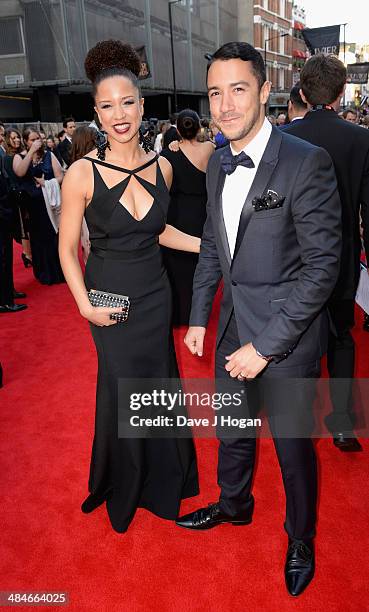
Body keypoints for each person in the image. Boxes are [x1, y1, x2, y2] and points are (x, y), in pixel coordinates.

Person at [175, 42, 341, 597]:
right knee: (233, 432)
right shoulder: (218, 160)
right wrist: (200, 315)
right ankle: (234, 503)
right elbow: (214, 250)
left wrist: (265, 346)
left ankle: (300, 537)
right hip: (231, 330)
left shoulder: (305, 161)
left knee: (293, 448)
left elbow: (322, 269)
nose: (224, 105)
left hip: (285, 342)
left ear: (266, 91)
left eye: (238, 89)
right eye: (215, 92)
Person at [59, 40, 199, 534]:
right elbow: (66, 248)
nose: (118, 114)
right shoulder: (82, 172)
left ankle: (163, 480)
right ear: (95, 112)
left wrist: (208, 247)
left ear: (142, 105)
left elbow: (159, 231)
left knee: (158, 384)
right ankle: (124, 481)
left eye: (127, 102)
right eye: (106, 105)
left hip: (156, 295)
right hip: (109, 302)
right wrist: (83, 307)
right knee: (123, 387)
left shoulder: (162, 166)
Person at [284, 54, 369, 451]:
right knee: (341, 338)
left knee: (292, 337)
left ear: (301, 92)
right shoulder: (361, 139)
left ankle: (294, 423)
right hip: (342, 259)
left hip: (291, 259)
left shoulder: (285, 139)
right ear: (340, 93)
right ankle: (341, 424)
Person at [161, 109, 214, 324]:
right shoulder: (210, 148)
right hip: (203, 214)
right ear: (198, 127)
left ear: (178, 129)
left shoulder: (169, 154)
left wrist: (174, 146)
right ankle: (198, 313)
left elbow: (161, 191)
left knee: (177, 265)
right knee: (199, 265)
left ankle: (179, 313)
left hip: (178, 215)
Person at [13, 128, 65, 285]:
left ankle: (58, 272)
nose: (36, 142)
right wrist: (30, 152)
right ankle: (43, 273)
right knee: (38, 239)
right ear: (26, 141)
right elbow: (20, 172)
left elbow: (60, 176)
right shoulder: (19, 157)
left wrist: (47, 183)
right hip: (32, 207)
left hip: (49, 204)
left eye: (37, 138)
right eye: (32, 139)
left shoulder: (49, 155)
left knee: (53, 237)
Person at [0, 154, 27, 313]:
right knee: (3, 258)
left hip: (5, 216)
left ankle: (8, 292)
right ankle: (5, 301)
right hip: (3, 216)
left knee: (6, 257)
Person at [4, 129, 33, 269]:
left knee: (24, 226)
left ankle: (27, 253)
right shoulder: (14, 157)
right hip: (20, 195)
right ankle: (28, 254)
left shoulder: (7, 156)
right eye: (13, 137)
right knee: (25, 226)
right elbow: (20, 173)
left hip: (16, 195)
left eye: (18, 137)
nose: (17, 140)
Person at [69, 126, 97, 264]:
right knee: (89, 250)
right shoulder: (80, 170)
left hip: (88, 220)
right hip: (89, 220)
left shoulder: (75, 167)